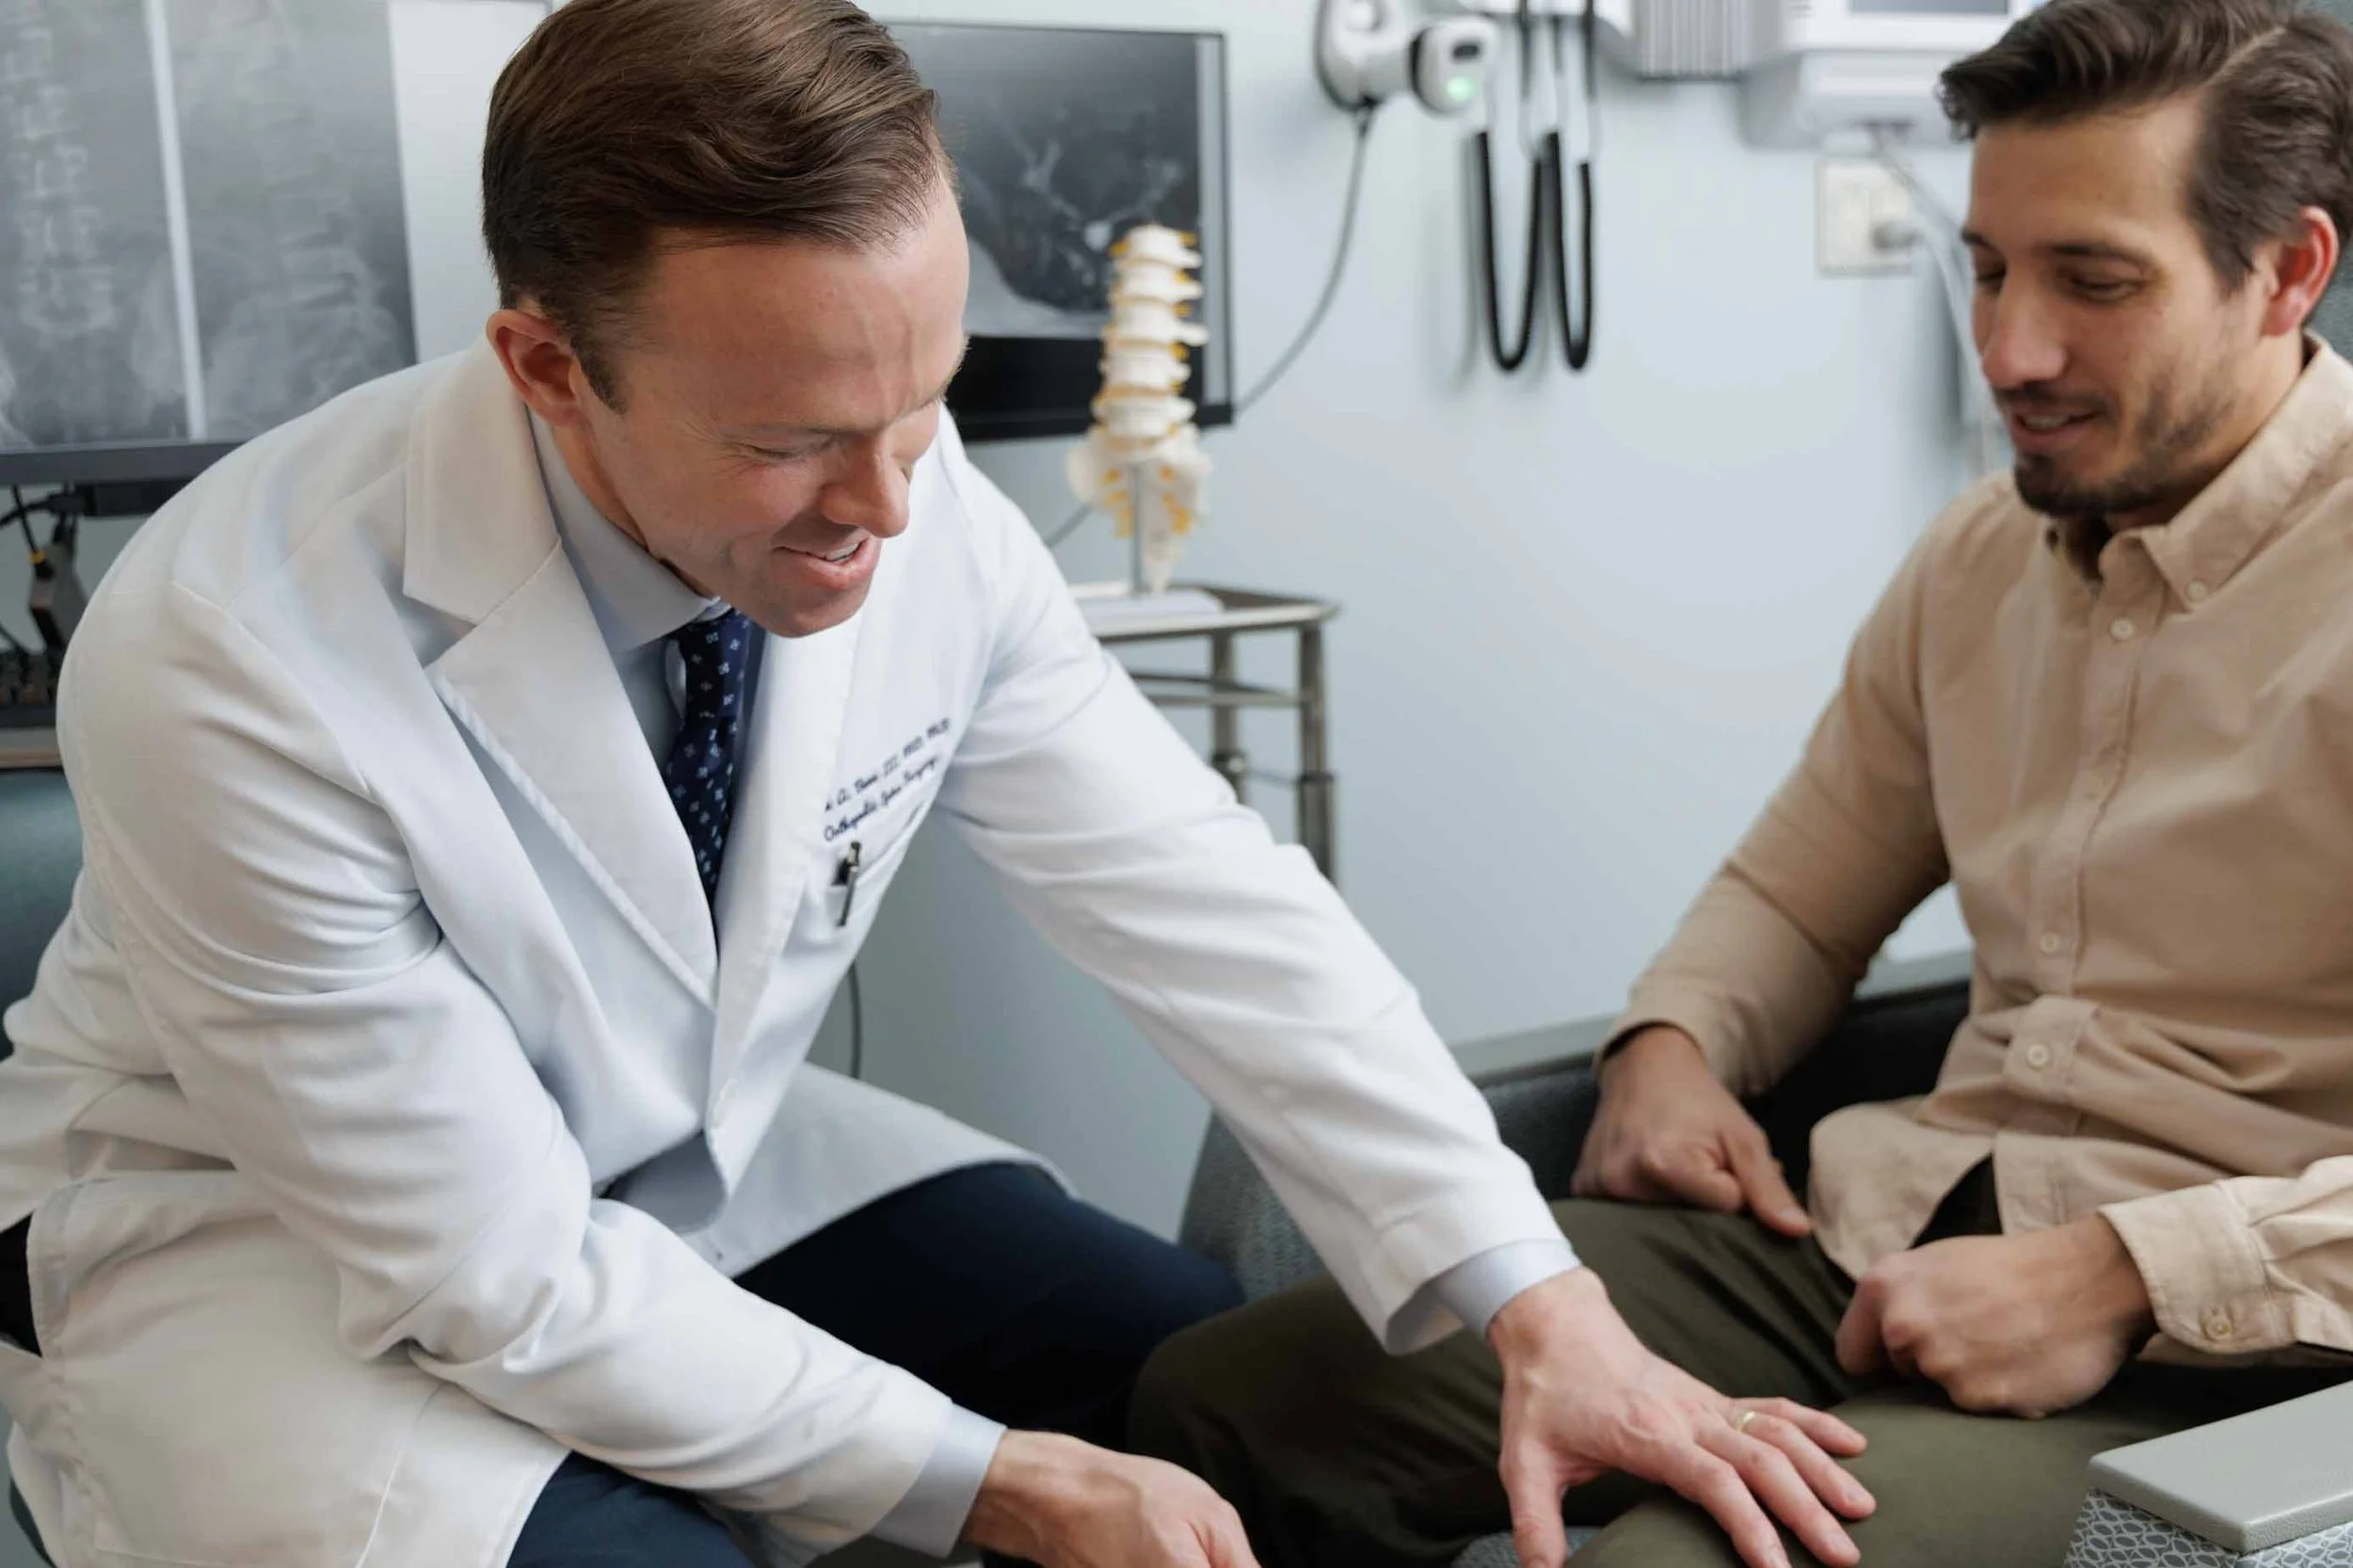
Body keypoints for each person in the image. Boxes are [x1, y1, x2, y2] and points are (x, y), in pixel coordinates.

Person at [0, 4, 1871, 1568]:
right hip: (265, 1242)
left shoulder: (920, 514)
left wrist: (1542, 1306)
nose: (889, 507)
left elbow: (1212, 912)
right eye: (794, 439)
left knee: (1203, 1383)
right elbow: (493, 1272)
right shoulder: (233, 652)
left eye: (925, 400)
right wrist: (1012, 1483)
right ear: (546, 364)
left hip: (694, 1166)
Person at [1130, 2, 2353, 1565]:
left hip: (2227, 1369)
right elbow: (1793, 888)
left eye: (2094, 283)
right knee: (1220, 1409)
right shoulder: (1979, 562)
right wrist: (1673, 1038)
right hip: (1874, 1245)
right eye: (1986, 267)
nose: (2011, 348)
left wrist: (2127, 1272)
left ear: (2290, 273)